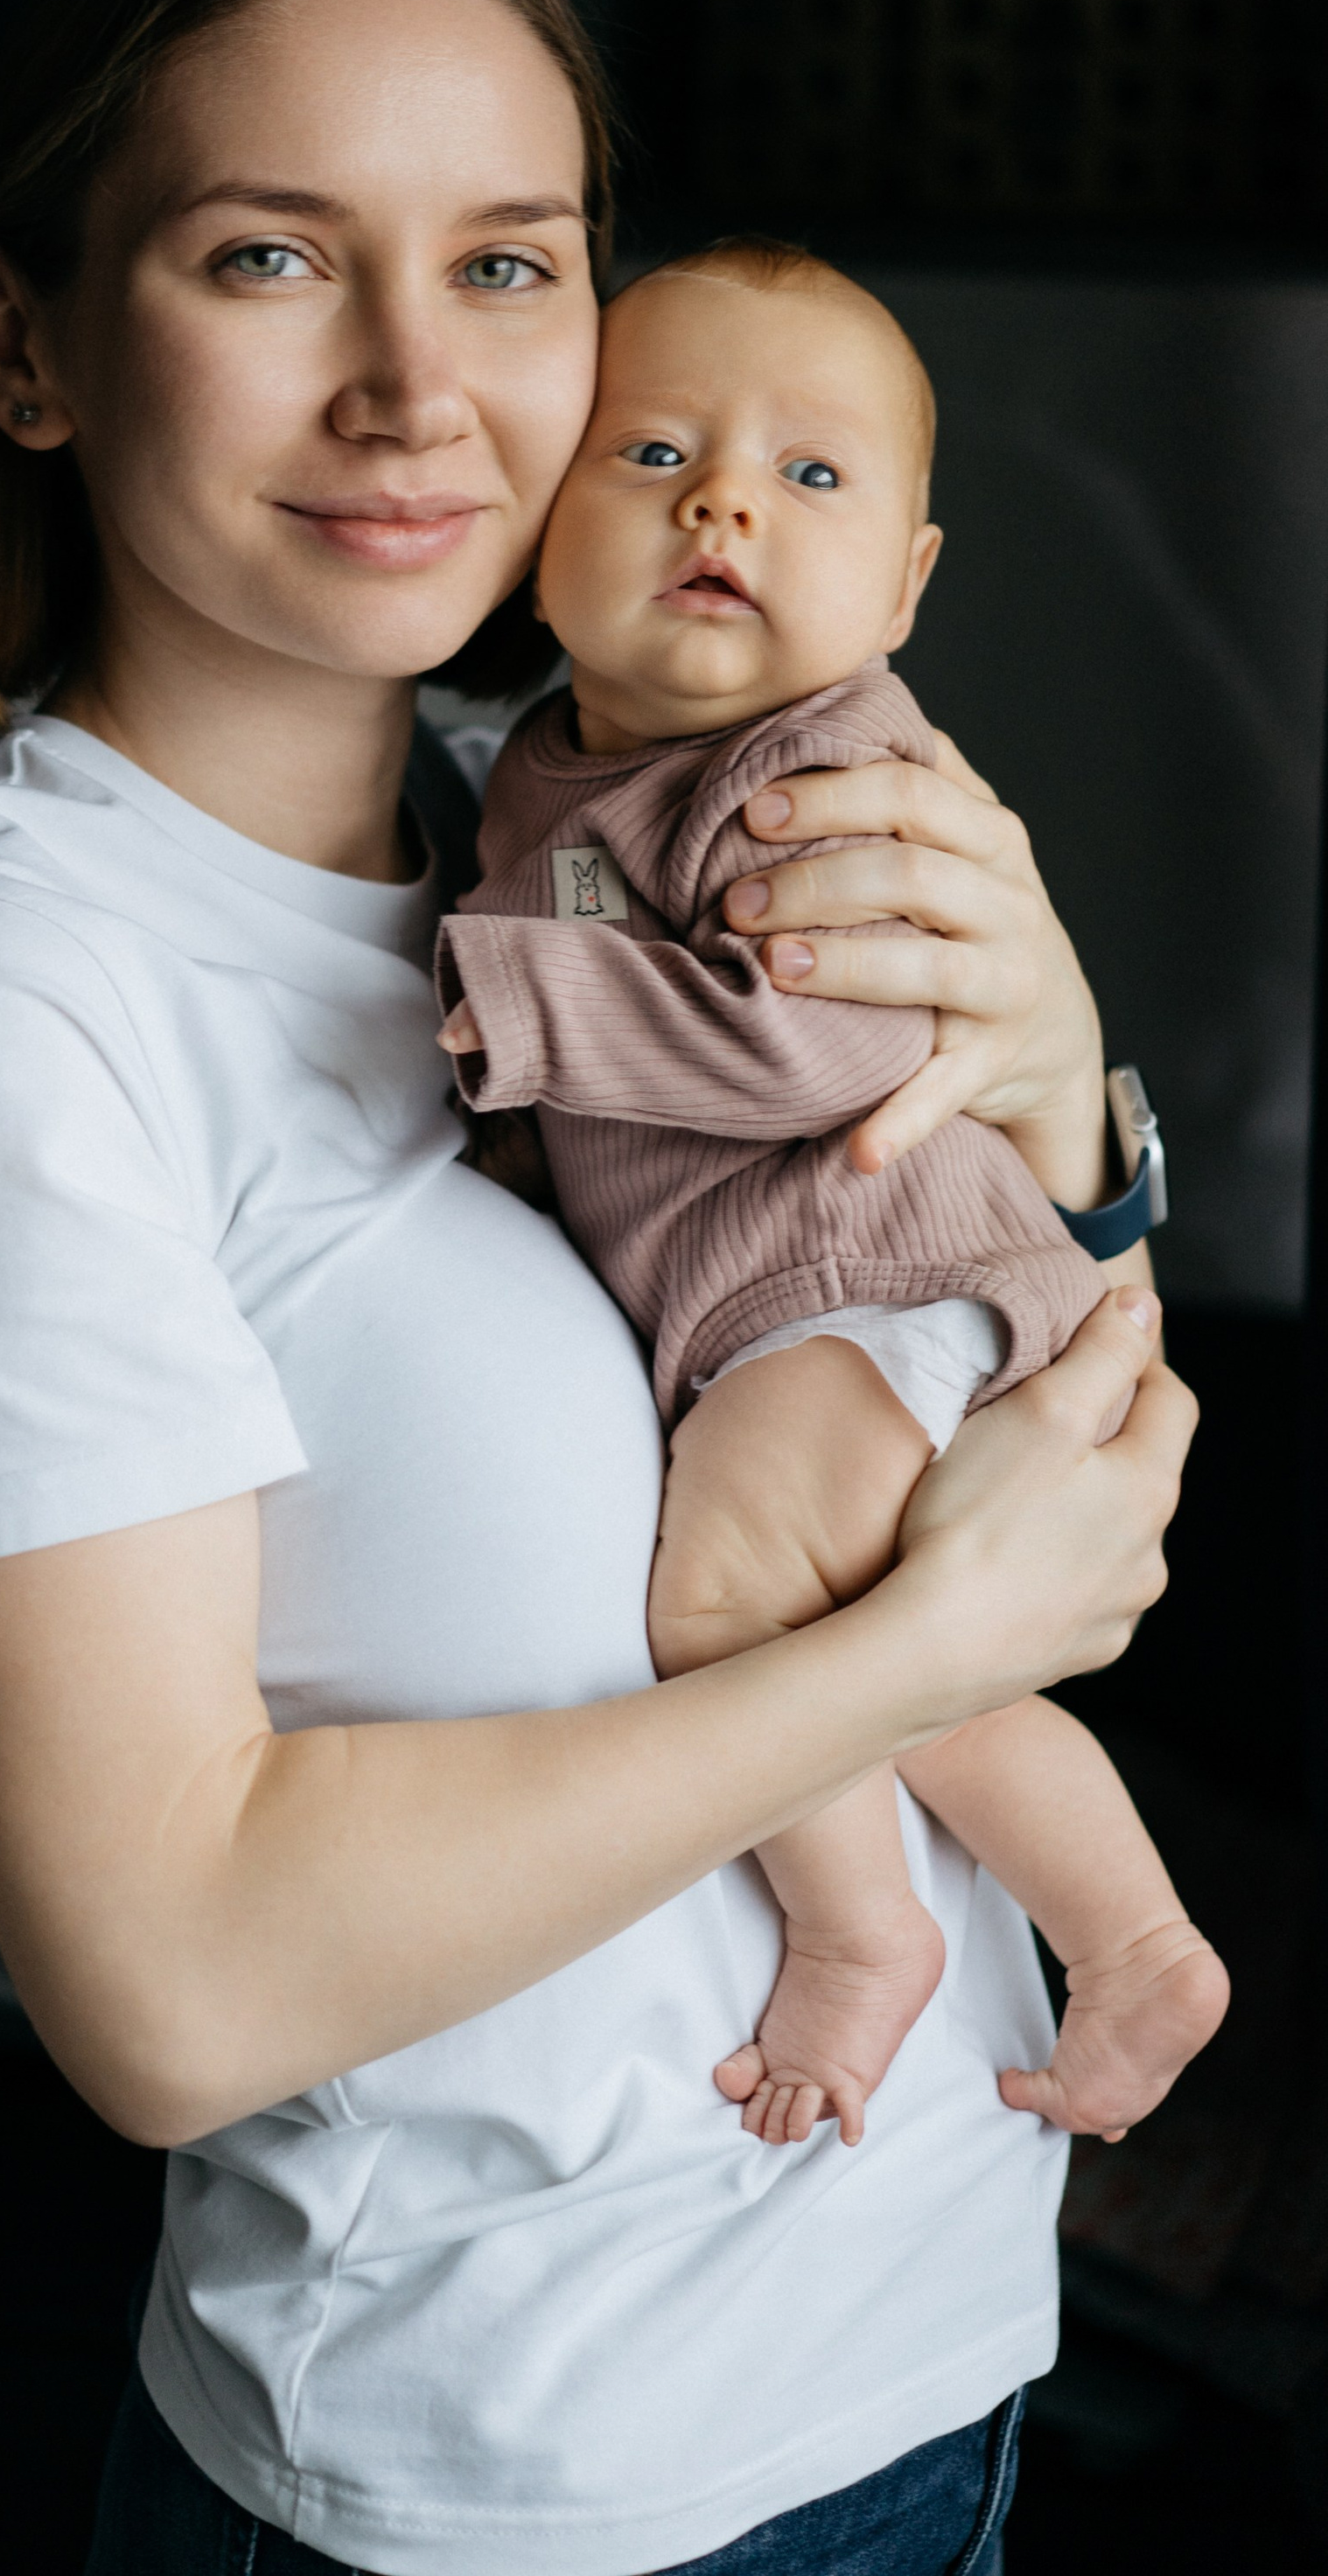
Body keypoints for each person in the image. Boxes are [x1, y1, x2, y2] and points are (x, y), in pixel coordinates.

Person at [0, 0, 1194, 2576]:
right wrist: (935, 1645)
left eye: (513, 266)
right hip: (526, 2493)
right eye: (277, 257)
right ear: (27, 343)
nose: (424, 386)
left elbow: (929, 1397)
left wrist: (1065, 1122)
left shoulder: (541, 845)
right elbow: (169, 1996)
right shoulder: (5, 1014)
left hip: (909, 2366)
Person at [436, 241, 1227, 2160]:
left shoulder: (822, 769)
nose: (721, 501)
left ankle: (865, 1933)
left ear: (902, 583)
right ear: (537, 510)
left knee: (729, 1607)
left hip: (881, 1272)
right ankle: (1126, 1937)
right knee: (876, 1636)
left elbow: (824, 1045)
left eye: (809, 477)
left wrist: (504, 1007)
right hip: (788, 1296)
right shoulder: (542, 766)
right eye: (650, 455)